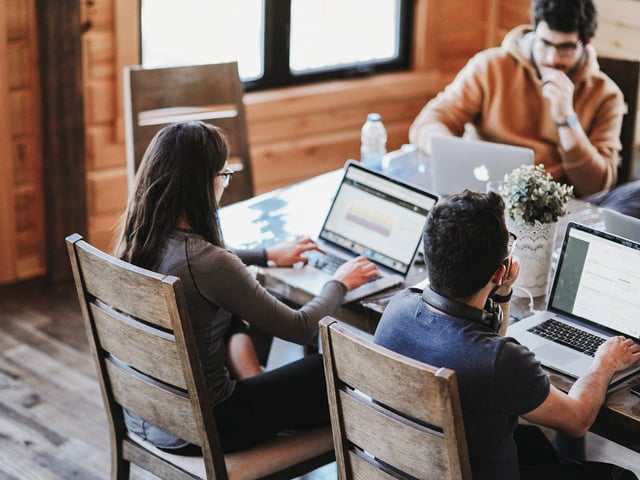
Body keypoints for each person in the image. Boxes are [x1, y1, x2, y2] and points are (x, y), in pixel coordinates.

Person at [115, 120, 380, 454]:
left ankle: (258, 383)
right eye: (224, 175)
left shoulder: (141, 237)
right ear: (203, 184)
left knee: (229, 314)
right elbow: (298, 328)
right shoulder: (208, 263)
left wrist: (266, 255)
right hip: (208, 425)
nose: (225, 184)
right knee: (326, 367)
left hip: (147, 413)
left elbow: (205, 265)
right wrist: (339, 282)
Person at [374, 190, 640, 480]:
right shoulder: (500, 361)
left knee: (535, 444)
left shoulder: (396, 309)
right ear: (499, 272)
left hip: (405, 466)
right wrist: (604, 362)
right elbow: (577, 419)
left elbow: (485, 344)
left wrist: (501, 295)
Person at [410, 0, 640, 217]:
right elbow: (428, 122)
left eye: (566, 48)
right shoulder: (490, 67)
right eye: (545, 43)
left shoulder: (606, 95)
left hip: (554, 211)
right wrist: (453, 155)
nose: (552, 58)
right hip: (484, 197)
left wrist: (566, 119)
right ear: (534, 31)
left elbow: (597, 186)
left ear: (587, 42)